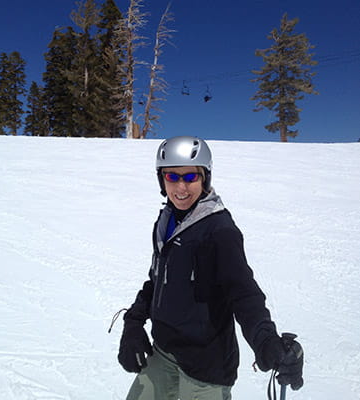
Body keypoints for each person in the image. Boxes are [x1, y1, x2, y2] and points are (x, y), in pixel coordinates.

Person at [117, 136, 304, 400]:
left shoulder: (219, 230)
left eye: (191, 177)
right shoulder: (166, 220)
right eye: (172, 177)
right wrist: (133, 323)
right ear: (162, 179)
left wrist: (266, 341)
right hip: (164, 352)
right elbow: (156, 280)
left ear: (205, 178)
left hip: (207, 365)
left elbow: (244, 293)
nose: (181, 187)